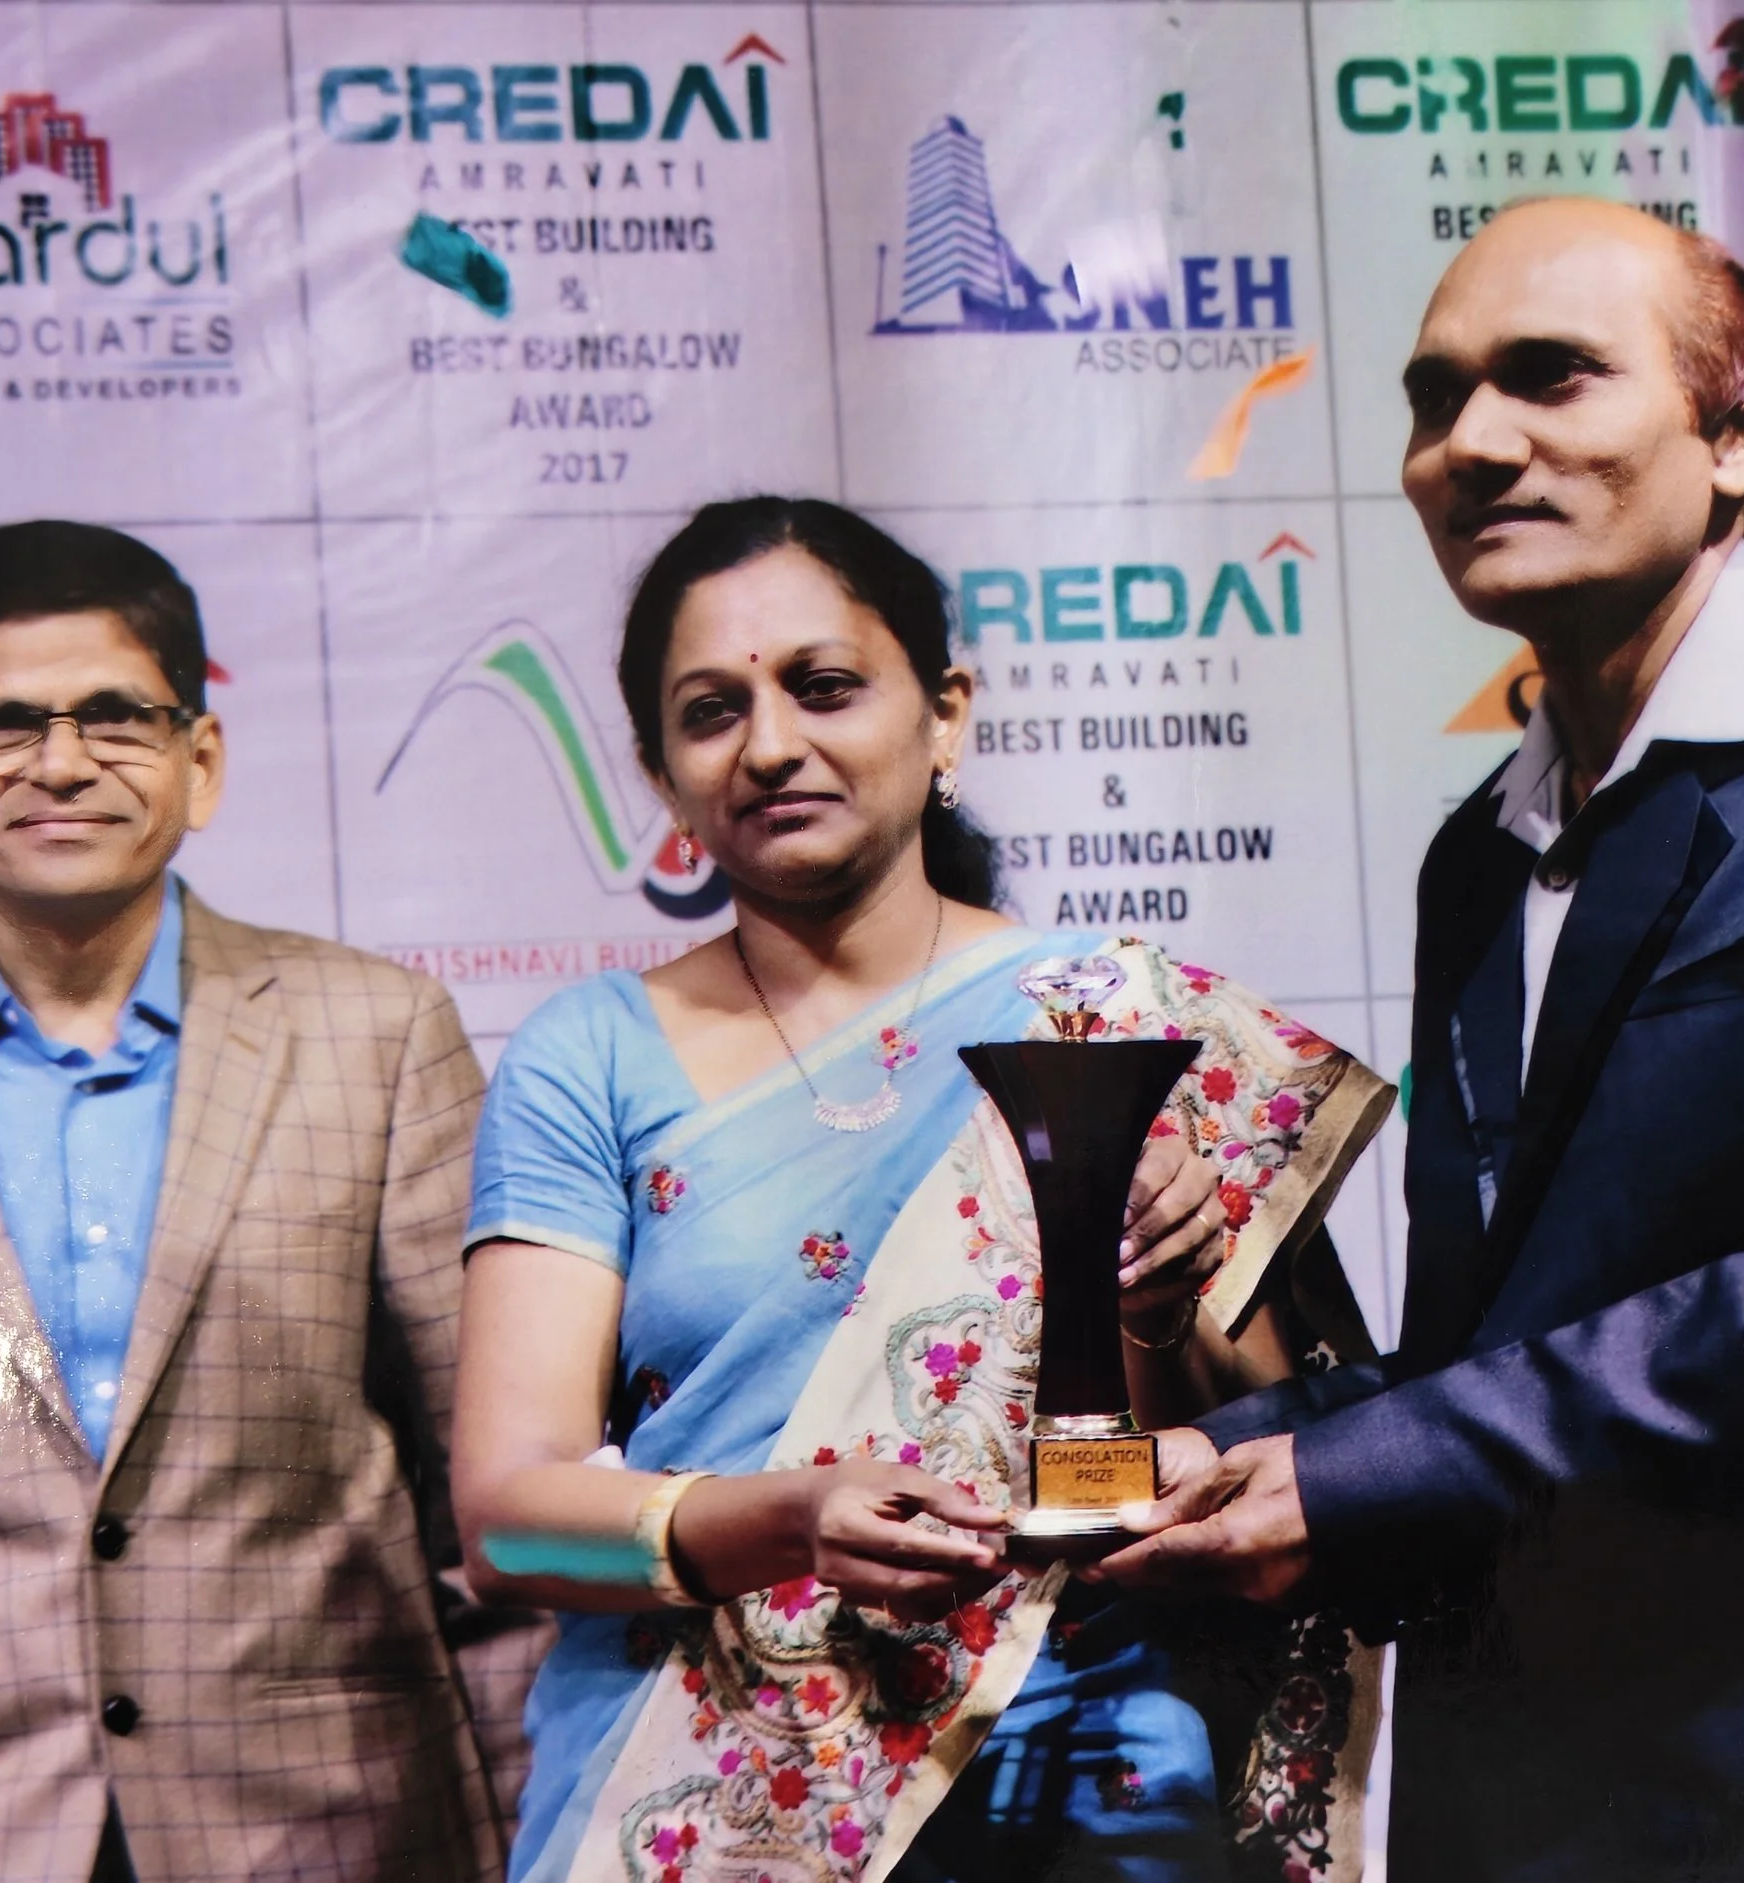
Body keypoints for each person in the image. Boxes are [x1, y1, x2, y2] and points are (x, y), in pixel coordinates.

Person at [1098, 199, 1744, 1880]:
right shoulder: (1472, 856)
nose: (1470, 445)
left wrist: (1357, 1481)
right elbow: (1510, 1337)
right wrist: (1253, 1451)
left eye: (1551, 378)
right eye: (1433, 400)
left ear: (1742, 423)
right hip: (1513, 1799)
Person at [450, 496, 1394, 1883]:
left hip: (1091, 1776)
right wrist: (784, 1517)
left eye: (825, 687)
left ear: (944, 714)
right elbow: (507, 1515)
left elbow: (1246, 1475)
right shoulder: (587, 1055)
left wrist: (1156, 1299)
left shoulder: (1116, 1021)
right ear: (660, 774)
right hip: (705, 1796)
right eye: (713, 712)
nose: (772, 743)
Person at [0, 522, 546, 1881]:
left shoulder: (376, 1034)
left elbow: (490, 1512)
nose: (60, 761)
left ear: (201, 762)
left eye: (116, 716)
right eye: (5, 722)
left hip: (324, 1829)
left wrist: (543, 1838)